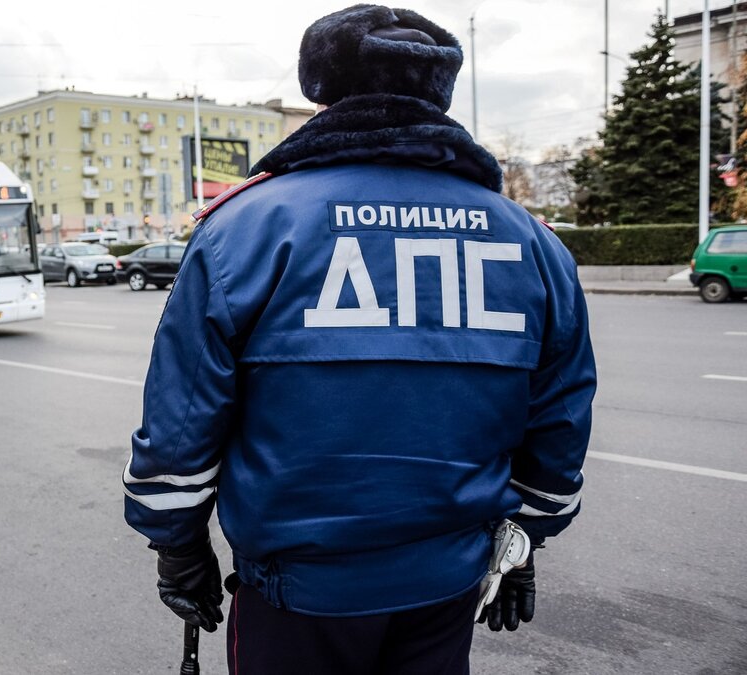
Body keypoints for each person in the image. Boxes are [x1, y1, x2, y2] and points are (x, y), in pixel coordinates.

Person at [122, 5, 596, 674]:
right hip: (445, 590)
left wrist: (177, 545)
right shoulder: (532, 242)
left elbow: (180, 423)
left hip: (296, 597)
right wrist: (524, 539)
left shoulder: (245, 228)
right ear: (440, 92)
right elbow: (561, 419)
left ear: (323, 89)